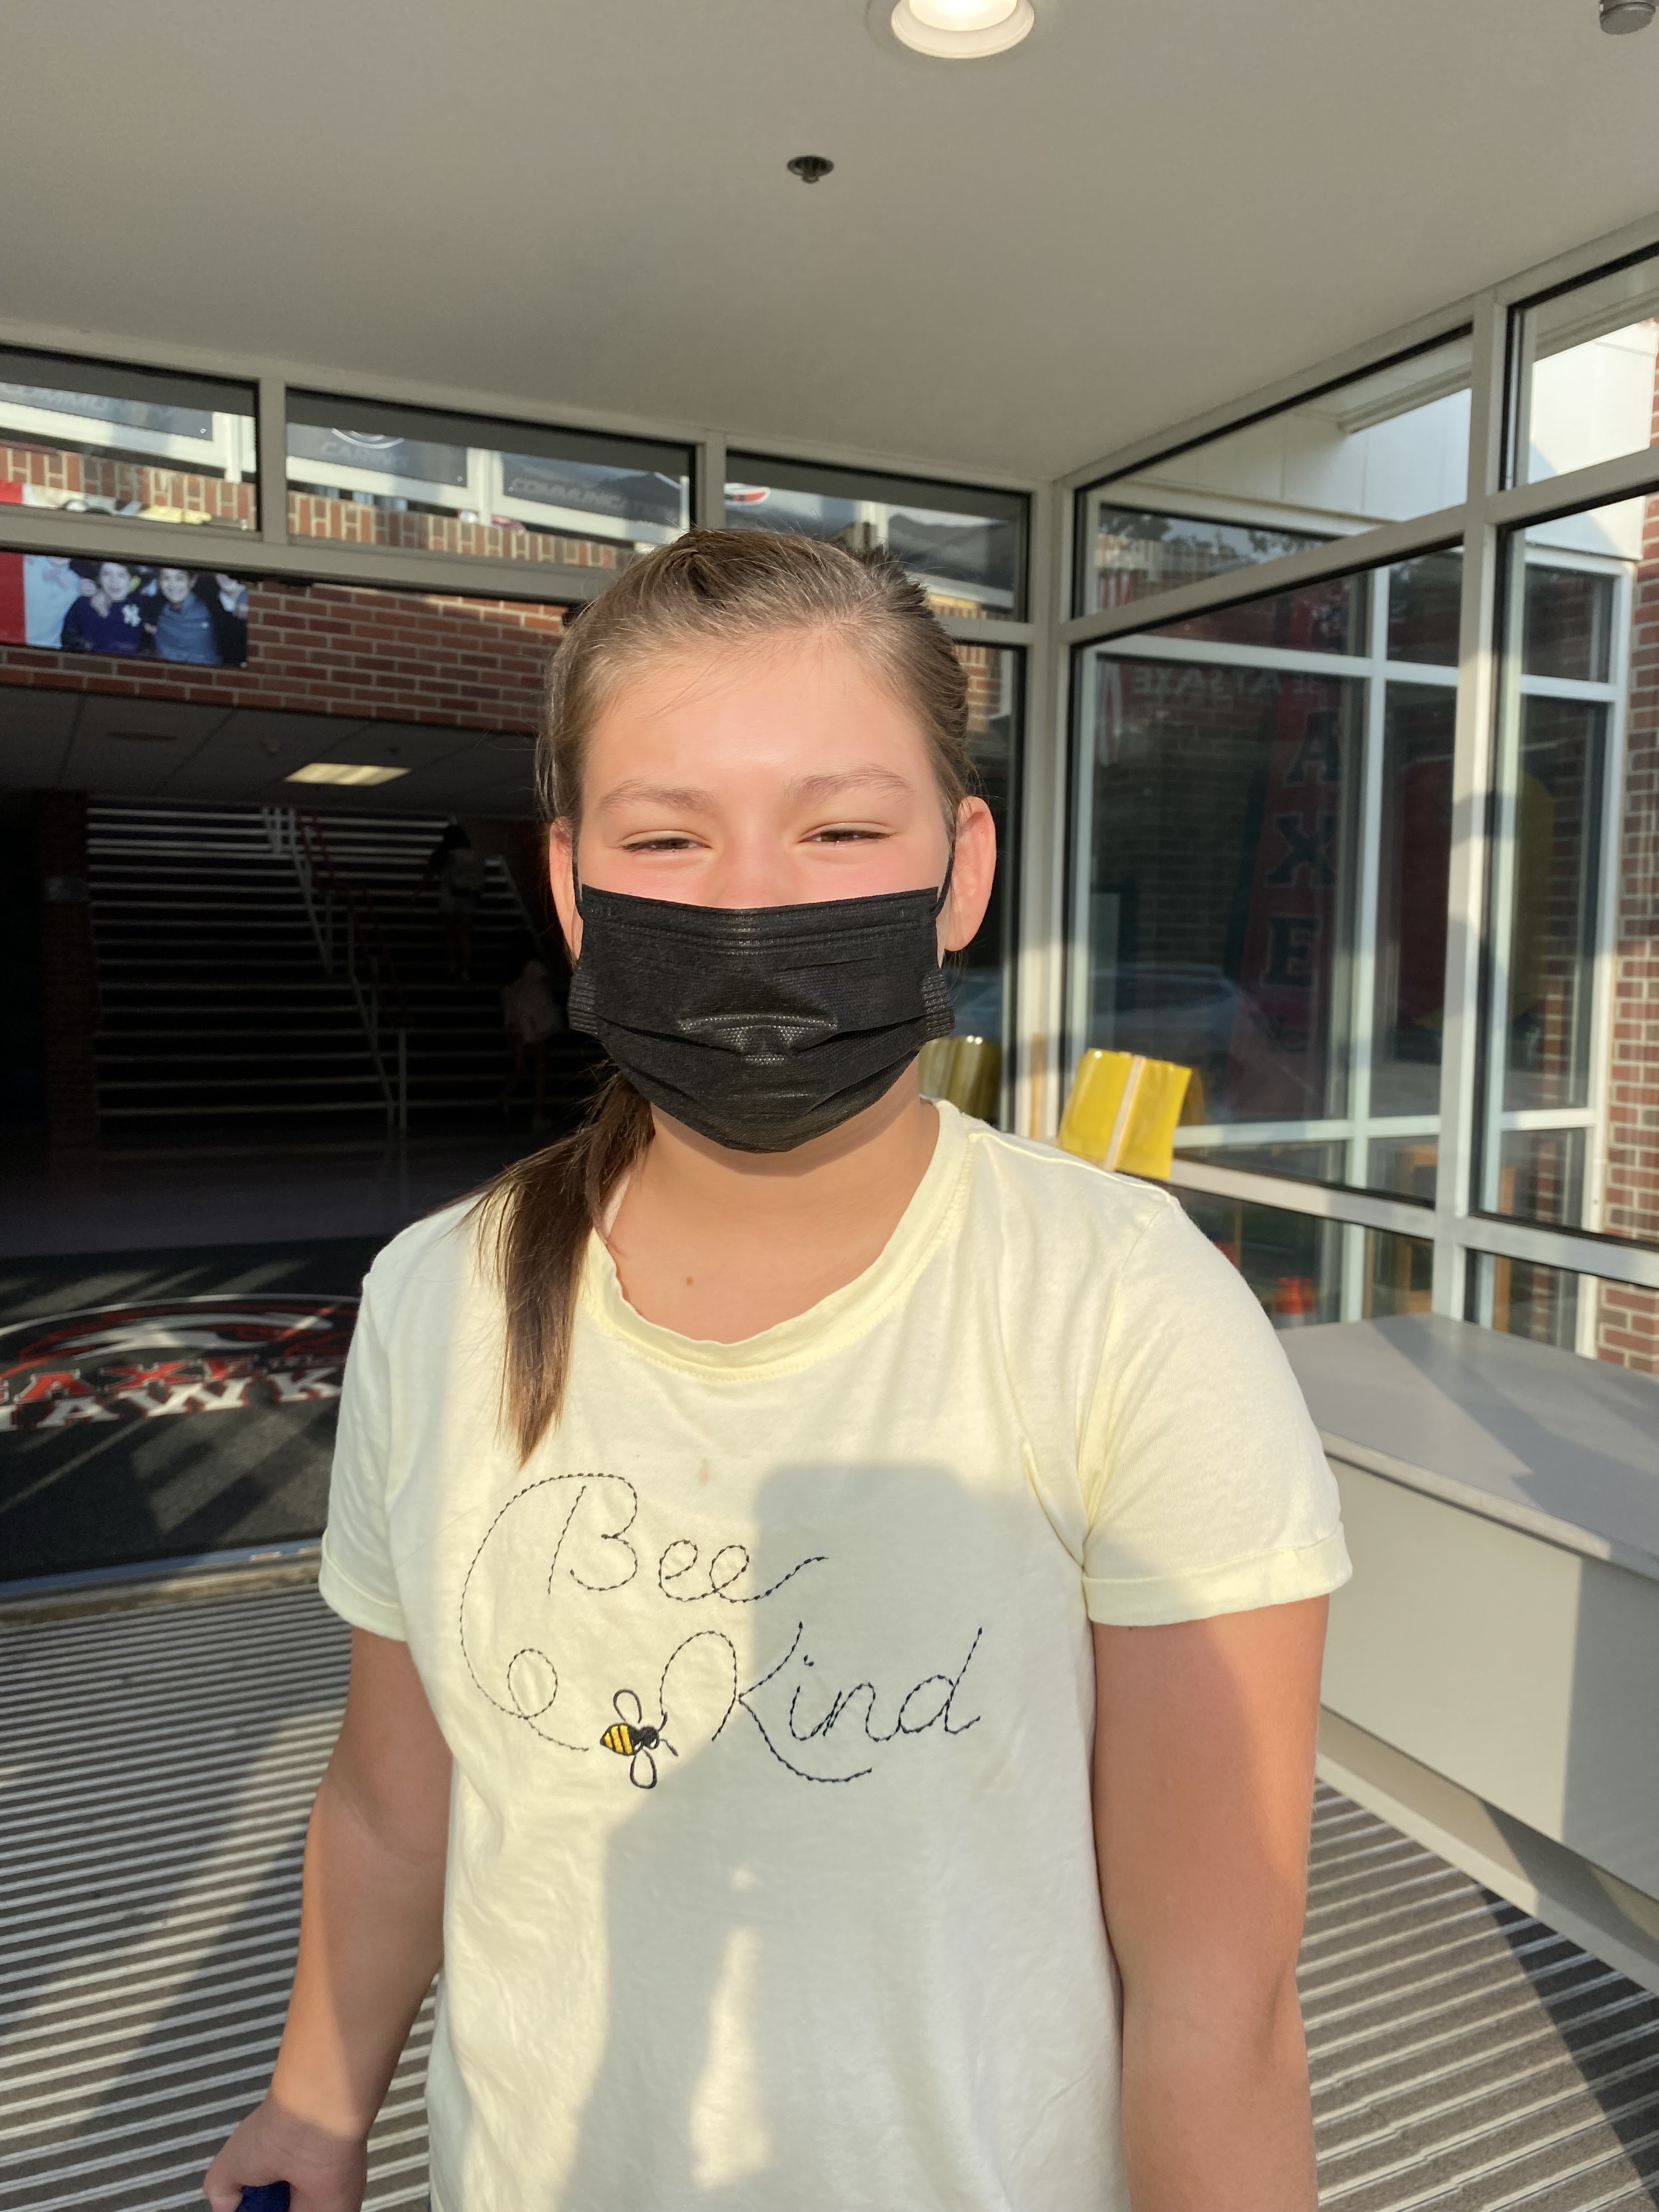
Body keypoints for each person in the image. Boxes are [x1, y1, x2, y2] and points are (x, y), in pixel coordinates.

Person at [204, 531, 1350, 2212]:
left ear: (961, 867)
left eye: (841, 830)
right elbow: (397, 1801)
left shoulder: (1124, 1306)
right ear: (574, 884)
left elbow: (1217, 1999)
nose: (751, 908)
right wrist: (316, 2106)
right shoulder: (439, 1298)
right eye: (670, 835)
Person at [499, 932, 563, 1132]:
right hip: (536, 1023)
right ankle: (537, 1113)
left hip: (518, 1024)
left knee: (522, 1069)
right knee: (539, 1069)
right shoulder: (533, 967)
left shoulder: (508, 974)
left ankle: (506, 1098)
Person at [419, 821, 488, 980]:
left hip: (449, 896)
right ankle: (466, 969)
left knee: (450, 934)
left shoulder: (445, 854)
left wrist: (418, 893)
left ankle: (453, 965)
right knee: (465, 934)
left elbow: (430, 875)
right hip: (469, 896)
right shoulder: (474, 855)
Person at [58, 558, 148, 654]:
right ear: (99, 579)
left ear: (132, 581)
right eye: (107, 574)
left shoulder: (142, 604)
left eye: (121, 575)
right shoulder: (84, 605)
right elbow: (69, 639)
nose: (114, 581)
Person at [145, 565, 224, 664]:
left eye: (180, 578)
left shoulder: (208, 611)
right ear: (159, 582)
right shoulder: (158, 610)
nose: (173, 585)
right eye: (166, 578)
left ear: (192, 581)